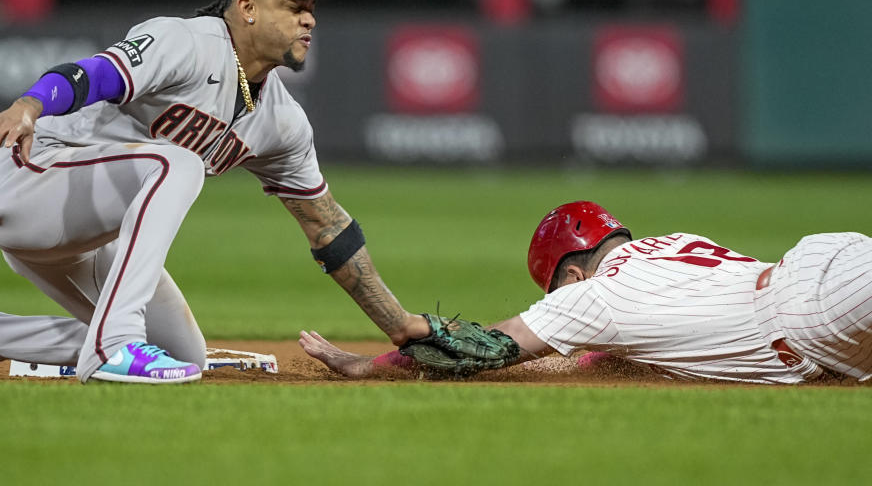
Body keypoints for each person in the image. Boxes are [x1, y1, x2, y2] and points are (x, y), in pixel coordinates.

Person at [0, 0, 431, 384]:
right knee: (177, 164)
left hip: (89, 233)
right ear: (247, 7)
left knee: (183, 355)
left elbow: (328, 229)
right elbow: (93, 75)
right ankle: (113, 346)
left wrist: (401, 326)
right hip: (32, 182)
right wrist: (31, 104)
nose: (310, 18)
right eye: (293, 4)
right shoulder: (187, 42)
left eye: (311, 7)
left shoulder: (283, 122)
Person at [301, 200, 872, 384]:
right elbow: (612, 352)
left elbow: (479, 346)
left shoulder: (590, 298)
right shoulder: (677, 242)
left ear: (569, 276)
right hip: (822, 264)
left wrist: (366, 365)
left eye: (552, 291)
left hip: (817, 314)